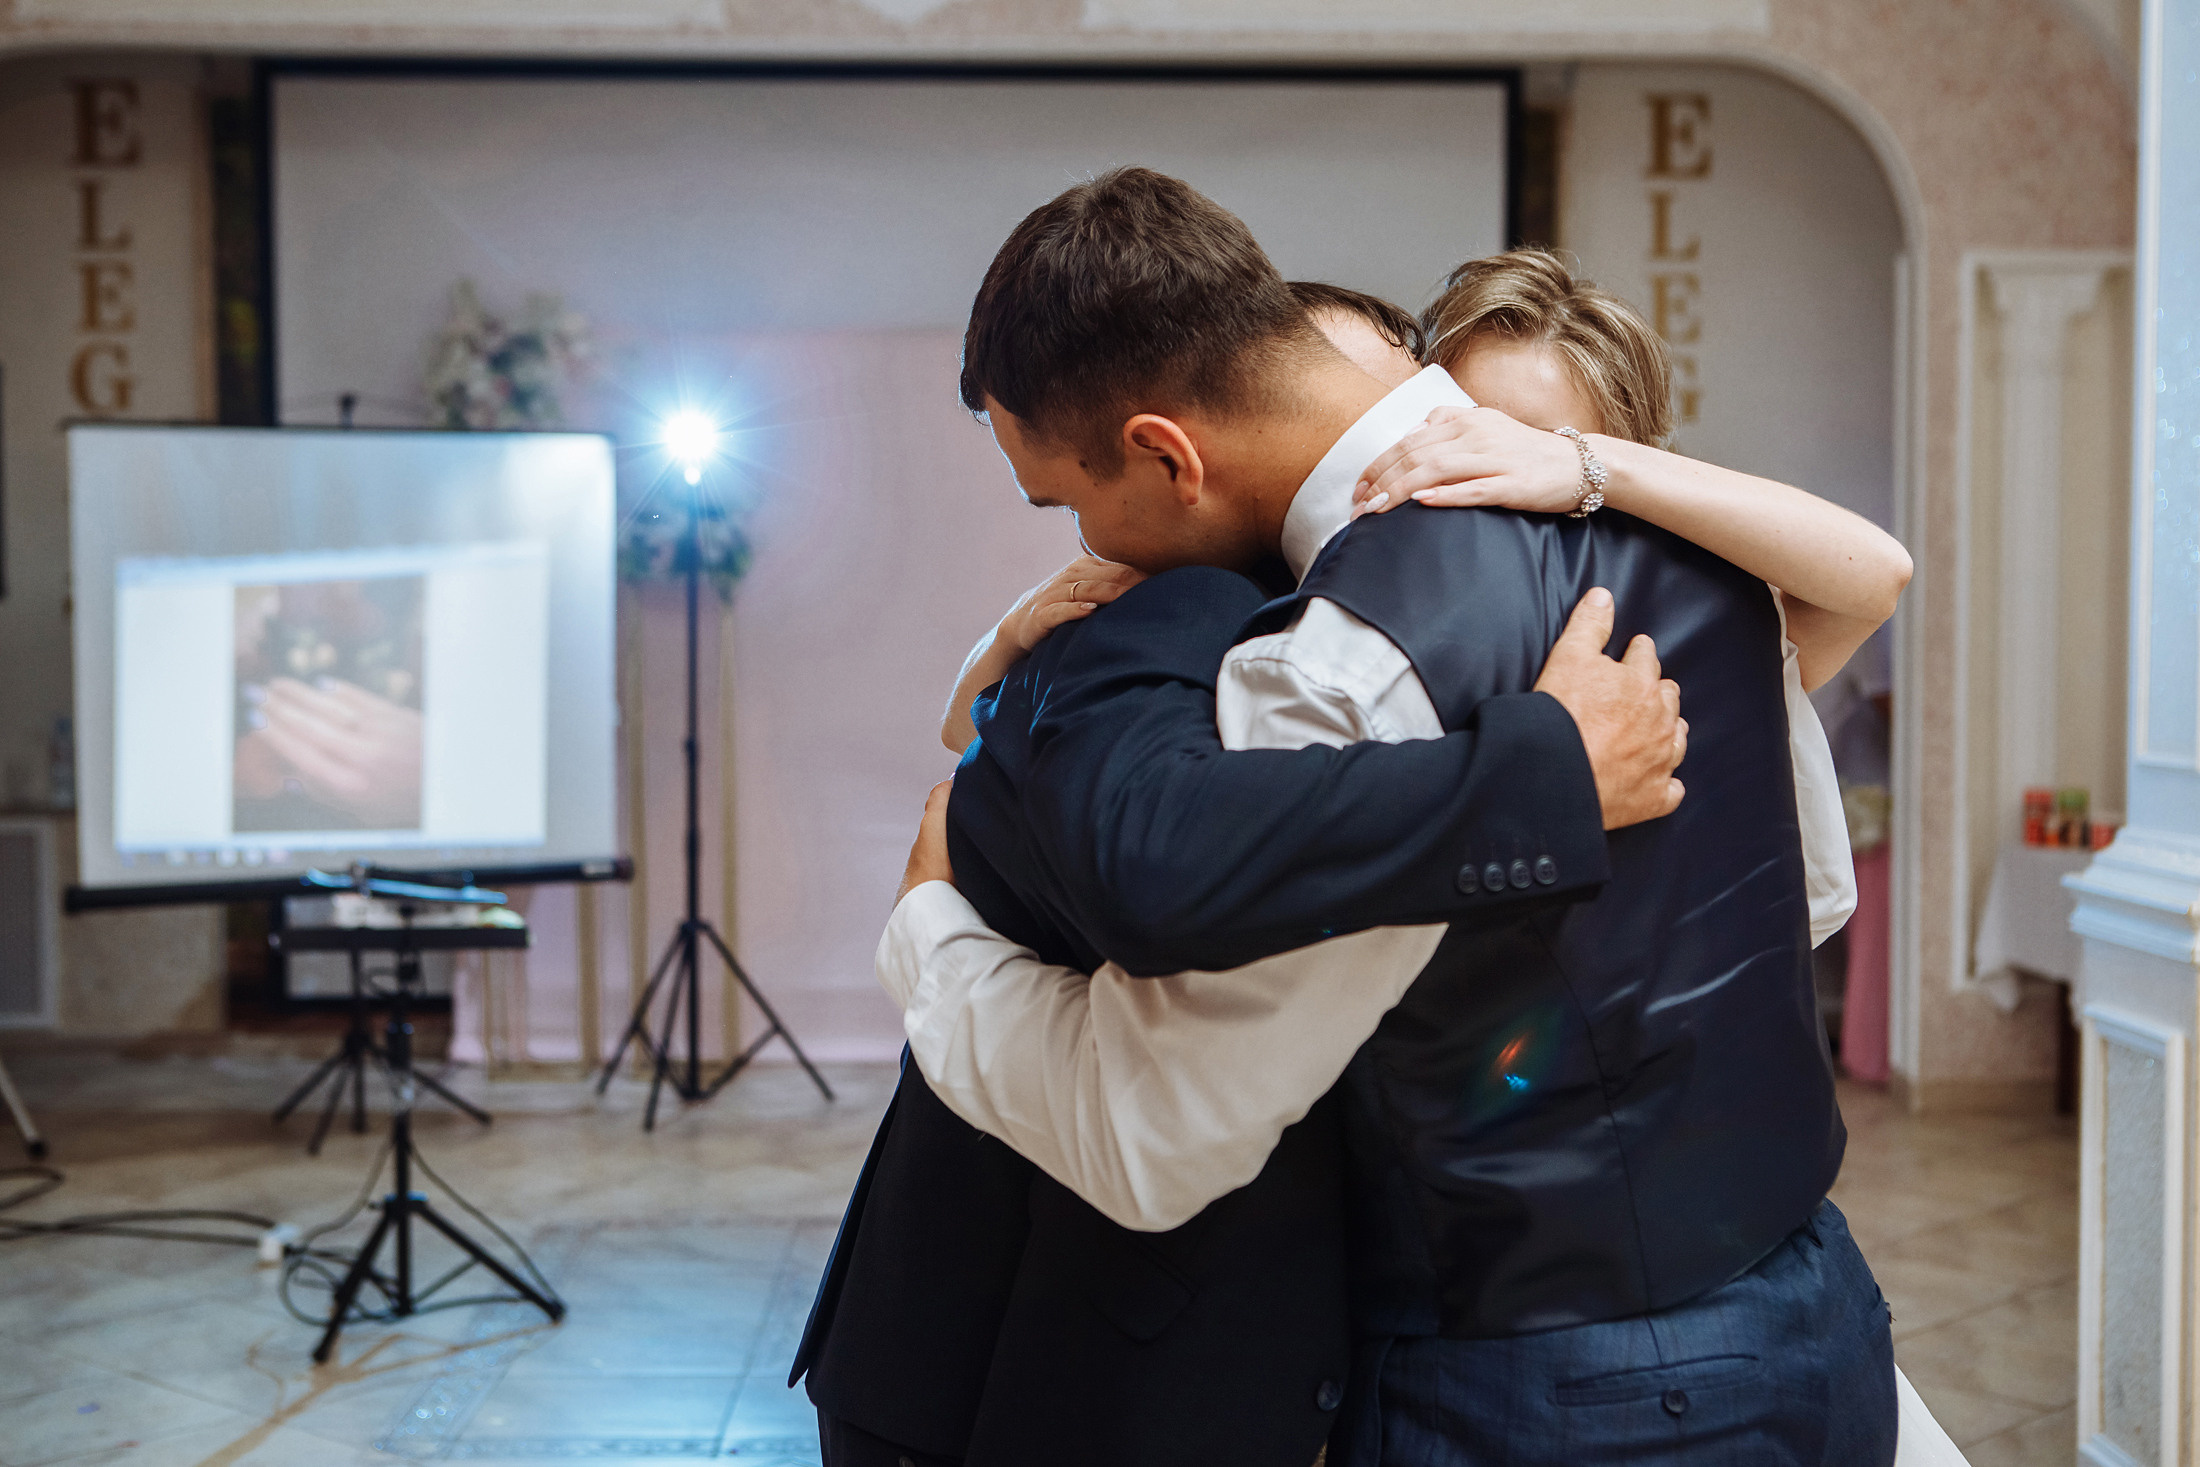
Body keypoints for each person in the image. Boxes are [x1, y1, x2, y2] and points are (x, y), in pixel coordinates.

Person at [871, 168, 1909, 1466]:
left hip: (1558, 1387)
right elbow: (1804, 894)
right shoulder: (1714, 553)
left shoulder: (1330, 664)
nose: (1089, 545)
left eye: (1070, 502)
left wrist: (931, 937)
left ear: (1166, 453)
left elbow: (1157, 1131)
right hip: (1818, 1313)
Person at [789, 236, 1689, 1467]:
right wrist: (1548, 782)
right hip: (1014, 1340)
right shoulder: (1186, 605)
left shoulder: (1515, 619)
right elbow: (1154, 853)